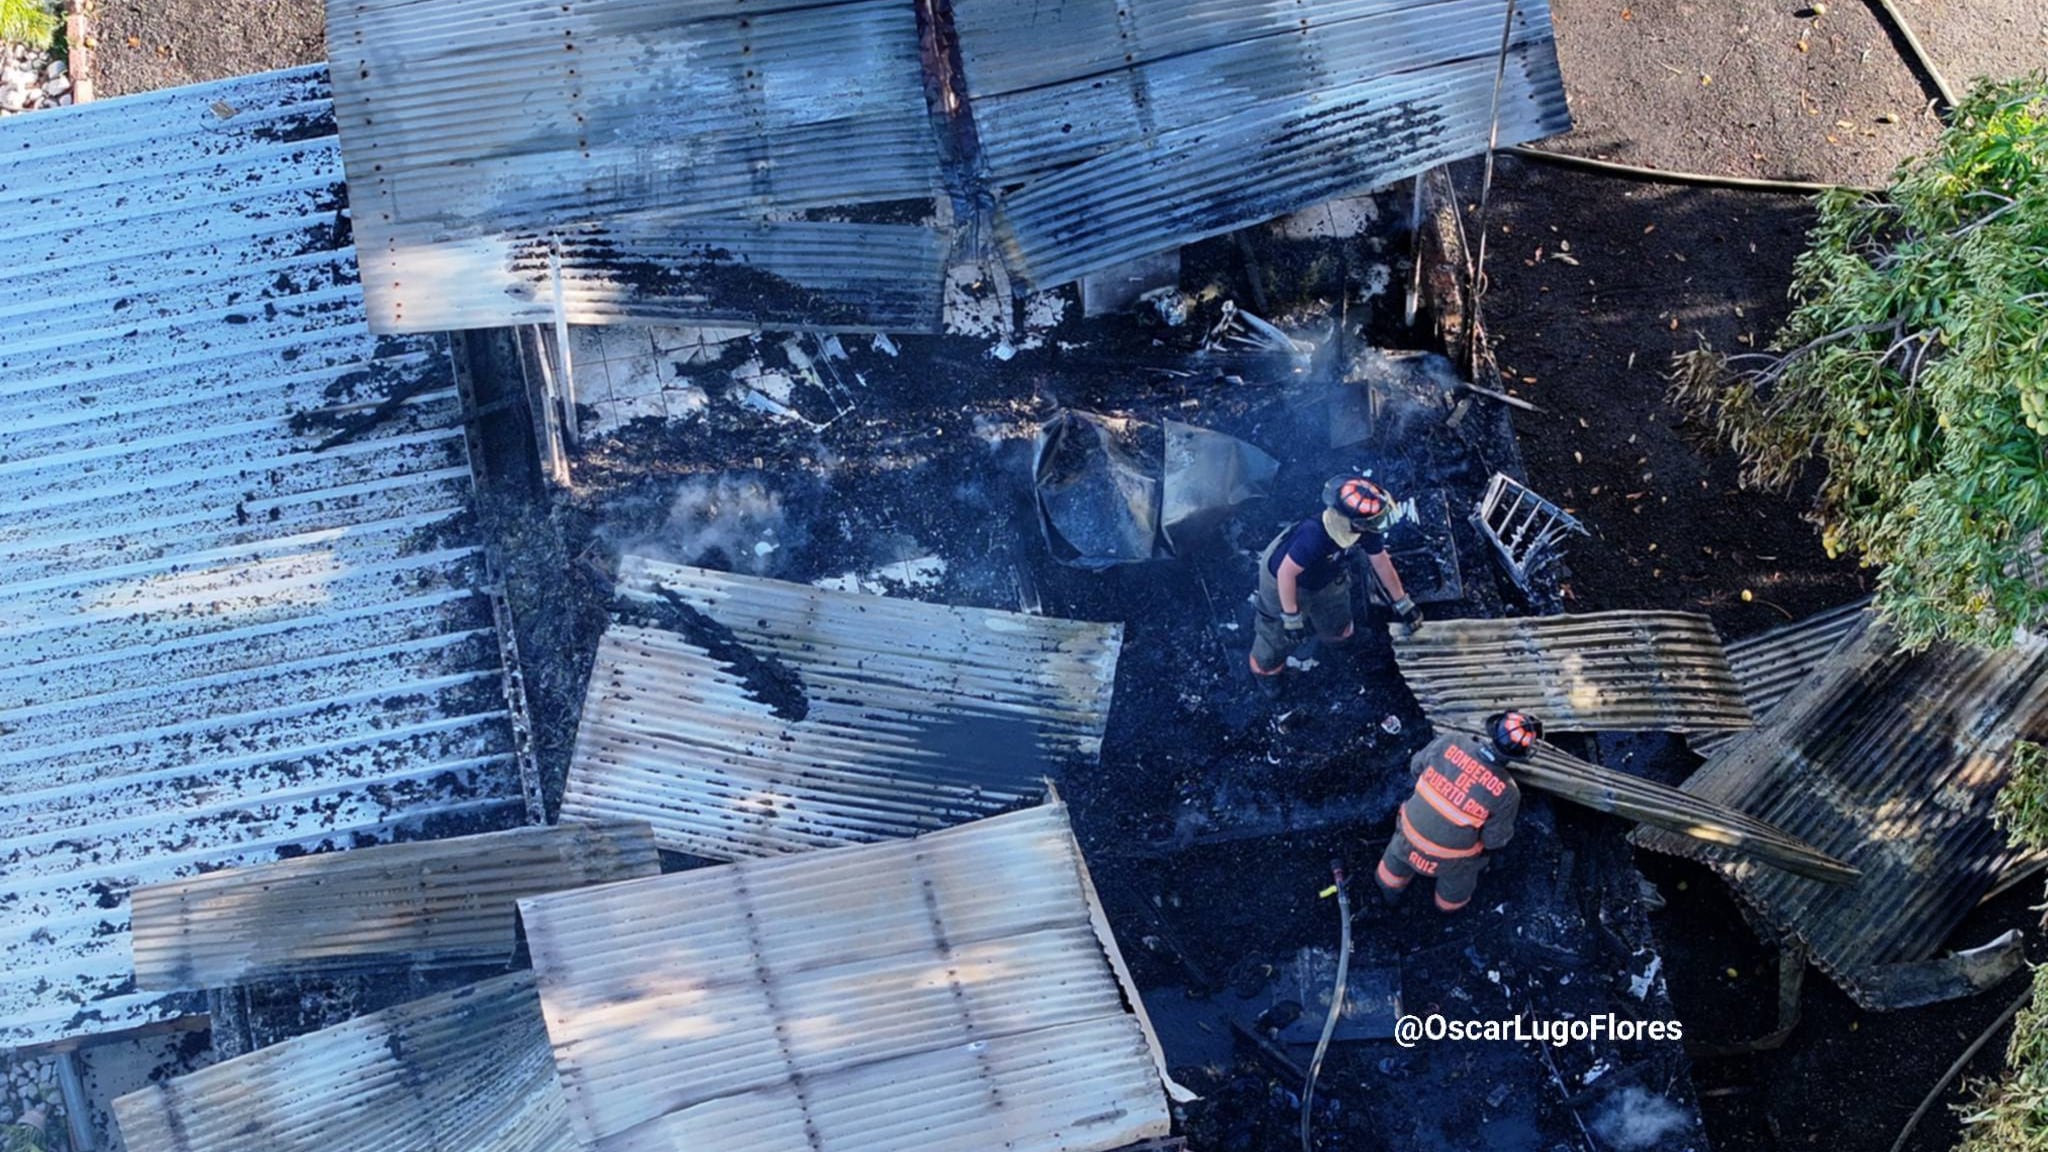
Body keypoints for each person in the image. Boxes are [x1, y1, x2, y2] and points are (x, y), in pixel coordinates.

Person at [1248, 474, 1421, 691]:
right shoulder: (1313, 535)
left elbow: (1382, 564)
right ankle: (1266, 671)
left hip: (1327, 576)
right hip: (1283, 581)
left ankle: (1338, 640)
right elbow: (1286, 574)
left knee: (1336, 613)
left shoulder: (1367, 526)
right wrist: (1291, 617)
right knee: (1277, 634)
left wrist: (1403, 602)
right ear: (1353, 523)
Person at [1374, 711, 1538, 913]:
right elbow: (1494, 840)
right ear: (1520, 756)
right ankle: (1446, 911)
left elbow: (1416, 768)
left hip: (1407, 837)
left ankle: (1388, 899)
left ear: (1493, 730)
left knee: (1390, 874)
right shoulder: (1508, 793)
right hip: (1450, 862)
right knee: (1460, 880)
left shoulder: (1450, 742)